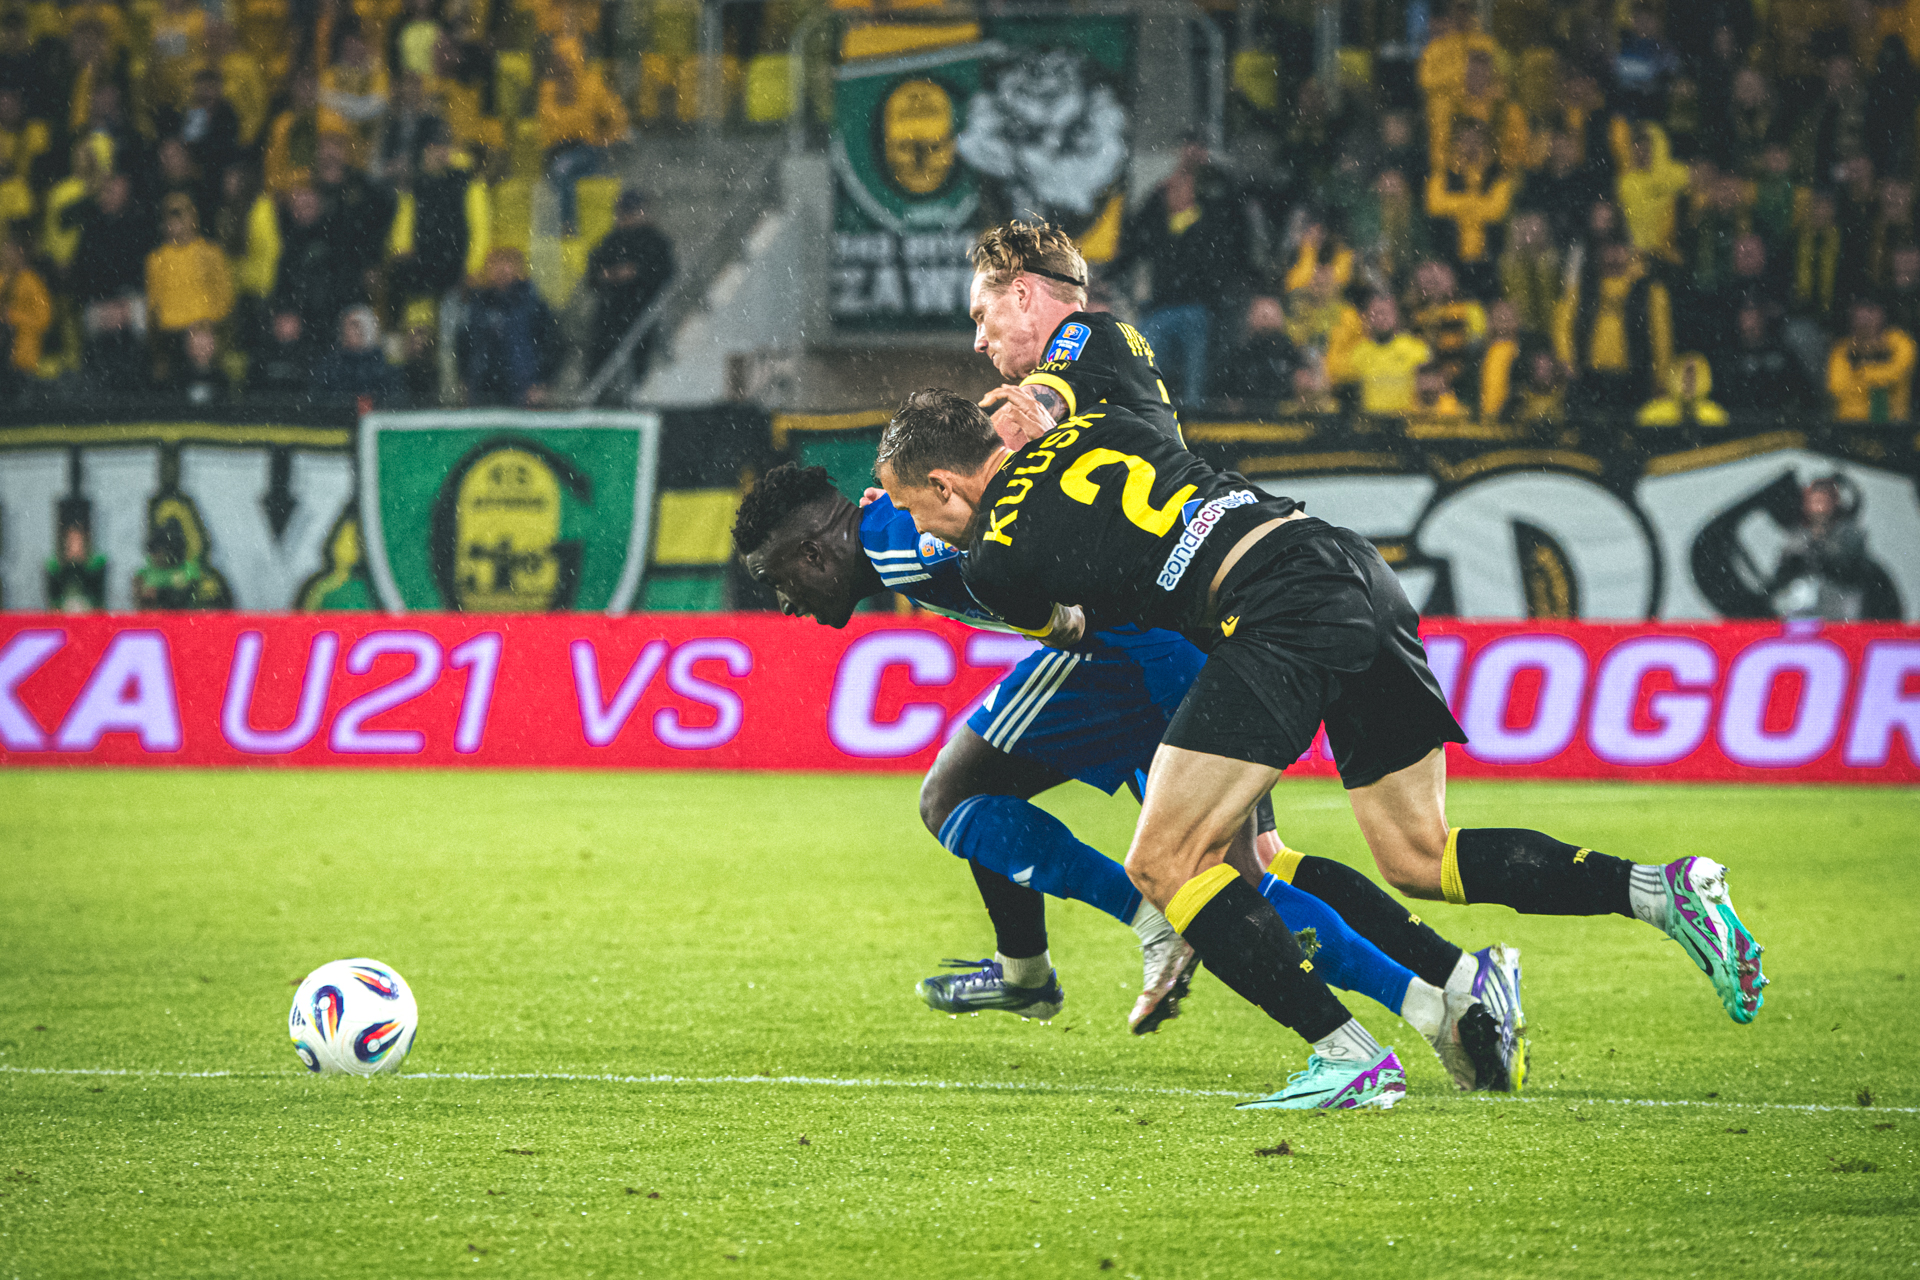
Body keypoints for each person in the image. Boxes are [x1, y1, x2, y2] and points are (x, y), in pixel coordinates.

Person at [873, 388, 1767, 1108]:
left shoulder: (993, 554)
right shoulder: (1105, 422)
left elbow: (1069, 627)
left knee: (1163, 861)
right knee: (1420, 856)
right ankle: (1661, 892)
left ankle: (1347, 1055)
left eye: (919, 511)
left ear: (948, 486)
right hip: (1350, 568)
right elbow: (1095, 452)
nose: (924, 532)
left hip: (1273, 613)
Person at [734, 462, 1523, 1092]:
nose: (785, 603)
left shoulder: (903, 539)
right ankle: (1450, 990)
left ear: (814, 553)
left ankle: (1416, 1009)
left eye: (778, 579)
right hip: (1148, 643)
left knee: (1217, 878)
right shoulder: (894, 528)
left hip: (1144, 651)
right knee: (1238, 866)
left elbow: (1018, 537)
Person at [1106, 134, 1253, 407]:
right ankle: (1147, 417)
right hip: (1161, 305)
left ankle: (1191, 420)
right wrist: (1107, 275)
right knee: (1145, 375)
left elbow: (1237, 236)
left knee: (1194, 381)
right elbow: (1134, 242)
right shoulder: (1161, 201)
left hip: (1200, 306)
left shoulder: (1216, 202)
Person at [586, 188, 674, 383]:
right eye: (624, 212)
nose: (627, 217)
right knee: (601, 362)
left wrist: (636, 273)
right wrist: (609, 275)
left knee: (637, 360)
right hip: (611, 312)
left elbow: (665, 273)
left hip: (640, 308)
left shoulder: (655, 241)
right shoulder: (612, 240)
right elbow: (593, 274)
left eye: (632, 212)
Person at [1769, 476, 1882, 620]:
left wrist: (1824, 558)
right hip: (1803, 613)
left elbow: (1852, 571)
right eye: (1814, 501)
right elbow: (1782, 576)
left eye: (1823, 501)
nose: (1819, 508)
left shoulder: (1849, 535)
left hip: (1843, 611)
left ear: (1835, 503)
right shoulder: (1797, 538)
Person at [459, 248, 560, 406]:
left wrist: (542, 383)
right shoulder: (477, 304)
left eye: (508, 261)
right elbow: (464, 345)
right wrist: (465, 381)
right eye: (496, 261)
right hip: (482, 394)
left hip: (524, 394)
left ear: (520, 267)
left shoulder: (533, 305)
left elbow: (551, 345)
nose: (501, 268)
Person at [1327, 291, 1431, 414]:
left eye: (1386, 313)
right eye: (1376, 313)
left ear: (1396, 316)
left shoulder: (1415, 349)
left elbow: (1431, 383)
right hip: (1370, 421)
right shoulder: (1359, 352)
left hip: (1404, 419)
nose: (1381, 318)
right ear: (1367, 318)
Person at [1828, 295, 1916, 422]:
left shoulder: (1899, 341)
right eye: (1860, 314)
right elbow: (1836, 388)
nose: (1865, 320)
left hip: (1894, 424)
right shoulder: (1842, 349)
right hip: (1850, 423)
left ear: (1882, 314)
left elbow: (1896, 372)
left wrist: (1862, 372)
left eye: (1871, 311)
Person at [312, 305, 406, 407]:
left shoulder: (389, 369)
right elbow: (319, 402)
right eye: (354, 324)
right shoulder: (329, 369)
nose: (362, 329)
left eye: (367, 324)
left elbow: (398, 403)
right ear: (342, 330)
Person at [1635, 352, 1731, 425]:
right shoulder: (1651, 415)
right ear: (1673, 375)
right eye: (1685, 373)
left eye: (1695, 373)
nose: (1689, 380)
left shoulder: (1717, 416)